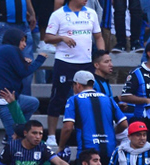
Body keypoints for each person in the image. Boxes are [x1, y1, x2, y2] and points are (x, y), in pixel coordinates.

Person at [42, 0, 104, 148]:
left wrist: (102, 55)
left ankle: (89, 132)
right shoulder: (58, 14)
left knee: (88, 99)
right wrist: (62, 38)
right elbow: (47, 37)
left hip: (86, 62)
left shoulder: (91, 13)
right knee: (58, 97)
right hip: (65, 62)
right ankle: (51, 136)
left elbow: (98, 36)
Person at [57, 71, 129, 165]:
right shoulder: (108, 99)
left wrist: (61, 146)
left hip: (87, 152)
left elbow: (68, 128)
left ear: (77, 85)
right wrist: (112, 132)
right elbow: (124, 124)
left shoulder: (74, 100)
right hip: (109, 150)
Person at [0, 29, 46, 139]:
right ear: (14, 40)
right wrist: (40, 59)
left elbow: (16, 69)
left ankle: (19, 130)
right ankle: (13, 137)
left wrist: (24, 63)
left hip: (9, 98)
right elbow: (23, 72)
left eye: (25, 41)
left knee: (32, 103)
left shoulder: (5, 50)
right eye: (22, 41)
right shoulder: (10, 49)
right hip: (1, 101)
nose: (24, 44)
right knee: (15, 138)